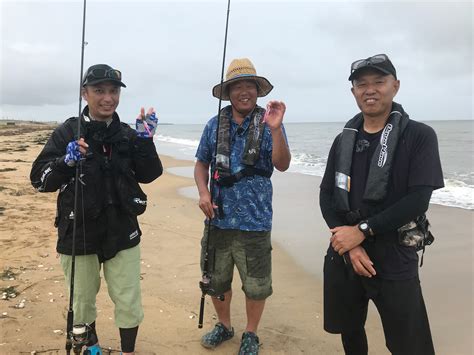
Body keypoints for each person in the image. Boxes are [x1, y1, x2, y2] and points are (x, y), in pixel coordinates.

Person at [30, 64, 163, 355]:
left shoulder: (128, 134)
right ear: (84, 93)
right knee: (82, 300)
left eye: (113, 91)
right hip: (78, 231)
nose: (108, 98)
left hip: (122, 229)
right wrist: (65, 163)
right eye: (100, 90)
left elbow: (150, 173)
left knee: (128, 299)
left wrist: (145, 142)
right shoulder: (68, 131)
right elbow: (39, 180)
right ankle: (92, 350)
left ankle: (128, 351)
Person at [319, 54, 444, 354]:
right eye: (361, 84)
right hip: (346, 251)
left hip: (394, 255)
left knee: (410, 344)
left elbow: (418, 199)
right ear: (353, 92)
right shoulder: (343, 140)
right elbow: (326, 195)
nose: (370, 89)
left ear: (395, 86)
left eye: (379, 81)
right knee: (350, 331)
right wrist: (350, 242)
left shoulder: (419, 136)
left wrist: (362, 231)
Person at [194, 58, 291, 354]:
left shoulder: (270, 121)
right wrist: (203, 193)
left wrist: (276, 130)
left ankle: (251, 332)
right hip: (218, 219)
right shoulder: (214, 125)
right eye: (238, 86)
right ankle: (224, 325)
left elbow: (283, 164)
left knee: (257, 283)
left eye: (250, 85)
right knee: (217, 279)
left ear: (258, 90)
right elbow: (201, 163)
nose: (244, 91)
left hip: (256, 221)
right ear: (229, 92)